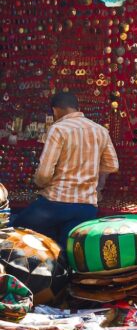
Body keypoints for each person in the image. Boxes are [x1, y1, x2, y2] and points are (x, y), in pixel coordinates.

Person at [11, 92, 119, 244]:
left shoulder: (58, 129)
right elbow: (112, 165)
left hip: (55, 204)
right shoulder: (100, 130)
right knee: (68, 250)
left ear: (55, 110)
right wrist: (94, 181)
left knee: (15, 230)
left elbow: (44, 173)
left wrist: (40, 184)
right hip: (86, 207)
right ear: (78, 108)